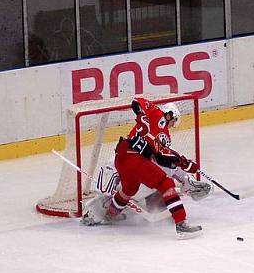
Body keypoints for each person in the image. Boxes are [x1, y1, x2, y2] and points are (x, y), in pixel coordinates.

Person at [86, 98, 203, 238]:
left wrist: (185, 164)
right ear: (170, 115)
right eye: (173, 122)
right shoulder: (156, 113)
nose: (171, 126)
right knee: (166, 184)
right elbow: (136, 102)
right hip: (132, 158)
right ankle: (181, 224)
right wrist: (141, 116)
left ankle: (110, 215)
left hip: (122, 157)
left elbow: (163, 158)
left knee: (129, 190)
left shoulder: (163, 134)